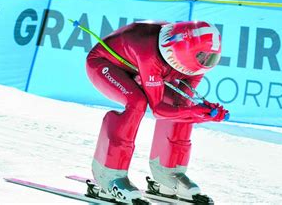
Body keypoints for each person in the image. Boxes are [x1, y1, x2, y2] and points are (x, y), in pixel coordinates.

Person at [85, 20, 229, 203]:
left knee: (179, 103)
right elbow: (159, 110)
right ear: (184, 50)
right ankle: (108, 177)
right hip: (105, 63)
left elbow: (183, 106)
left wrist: (202, 113)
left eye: (211, 58)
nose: (205, 63)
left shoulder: (196, 65)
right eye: (202, 57)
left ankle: (168, 174)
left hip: (137, 68)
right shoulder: (149, 53)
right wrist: (195, 113)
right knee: (136, 102)